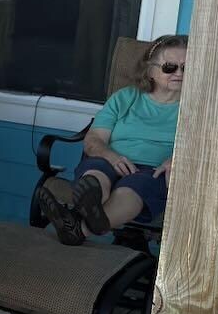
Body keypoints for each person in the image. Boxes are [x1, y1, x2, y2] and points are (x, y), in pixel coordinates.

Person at [38, 34, 188, 245]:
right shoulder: (125, 98)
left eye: (186, 68)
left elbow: (206, 147)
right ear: (150, 70)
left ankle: (78, 227)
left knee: (138, 186)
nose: (179, 73)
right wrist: (111, 156)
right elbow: (94, 139)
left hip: (154, 170)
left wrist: (177, 159)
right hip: (111, 158)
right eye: (170, 67)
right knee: (97, 171)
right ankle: (91, 201)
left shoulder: (195, 109)